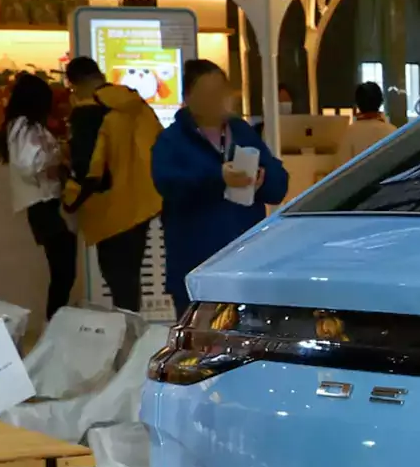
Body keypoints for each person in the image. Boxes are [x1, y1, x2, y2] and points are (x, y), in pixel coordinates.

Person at [152, 58, 287, 307]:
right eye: (207, 92)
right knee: (198, 329)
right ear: (188, 97)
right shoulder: (172, 140)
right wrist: (218, 178)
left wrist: (262, 180)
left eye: (220, 91)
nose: (216, 100)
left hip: (244, 261)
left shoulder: (242, 132)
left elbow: (278, 185)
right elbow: (168, 184)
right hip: (196, 263)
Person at [59, 55, 164, 313]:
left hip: (109, 208)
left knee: (118, 281)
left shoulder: (88, 111)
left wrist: (68, 197)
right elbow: (159, 144)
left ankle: (126, 334)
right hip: (141, 203)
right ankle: (133, 329)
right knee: (131, 280)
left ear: (75, 83)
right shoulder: (136, 104)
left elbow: (87, 167)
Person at [0, 72, 78, 316]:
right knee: (64, 268)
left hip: (44, 203)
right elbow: (27, 165)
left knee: (63, 267)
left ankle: (55, 319)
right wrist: (54, 163)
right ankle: (54, 320)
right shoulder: (25, 127)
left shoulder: (23, 127)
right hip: (41, 203)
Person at [332, 80, 397, 165]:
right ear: (381, 101)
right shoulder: (392, 132)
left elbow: (341, 168)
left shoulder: (350, 133)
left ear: (357, 104)